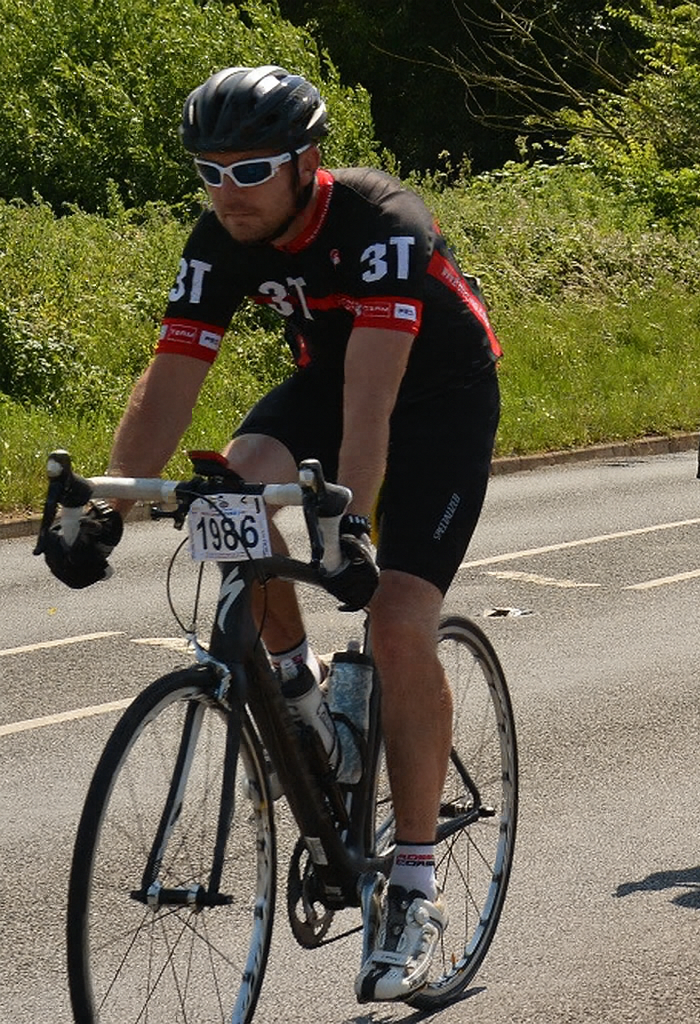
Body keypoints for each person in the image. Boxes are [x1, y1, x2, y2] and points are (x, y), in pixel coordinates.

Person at [36, 65, 501, 1003]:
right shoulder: (221, 236)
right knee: (231, 485)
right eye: (208, 171)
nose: (226, 192)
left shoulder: (384, 226)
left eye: (250, 170)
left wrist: (351, 527)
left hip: (437, 401)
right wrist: (106, 512)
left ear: (308, 162)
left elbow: (373, 405)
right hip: (333, 386)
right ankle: (299, 694)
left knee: (398, 621)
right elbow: (170, 376)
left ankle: (412, 884)